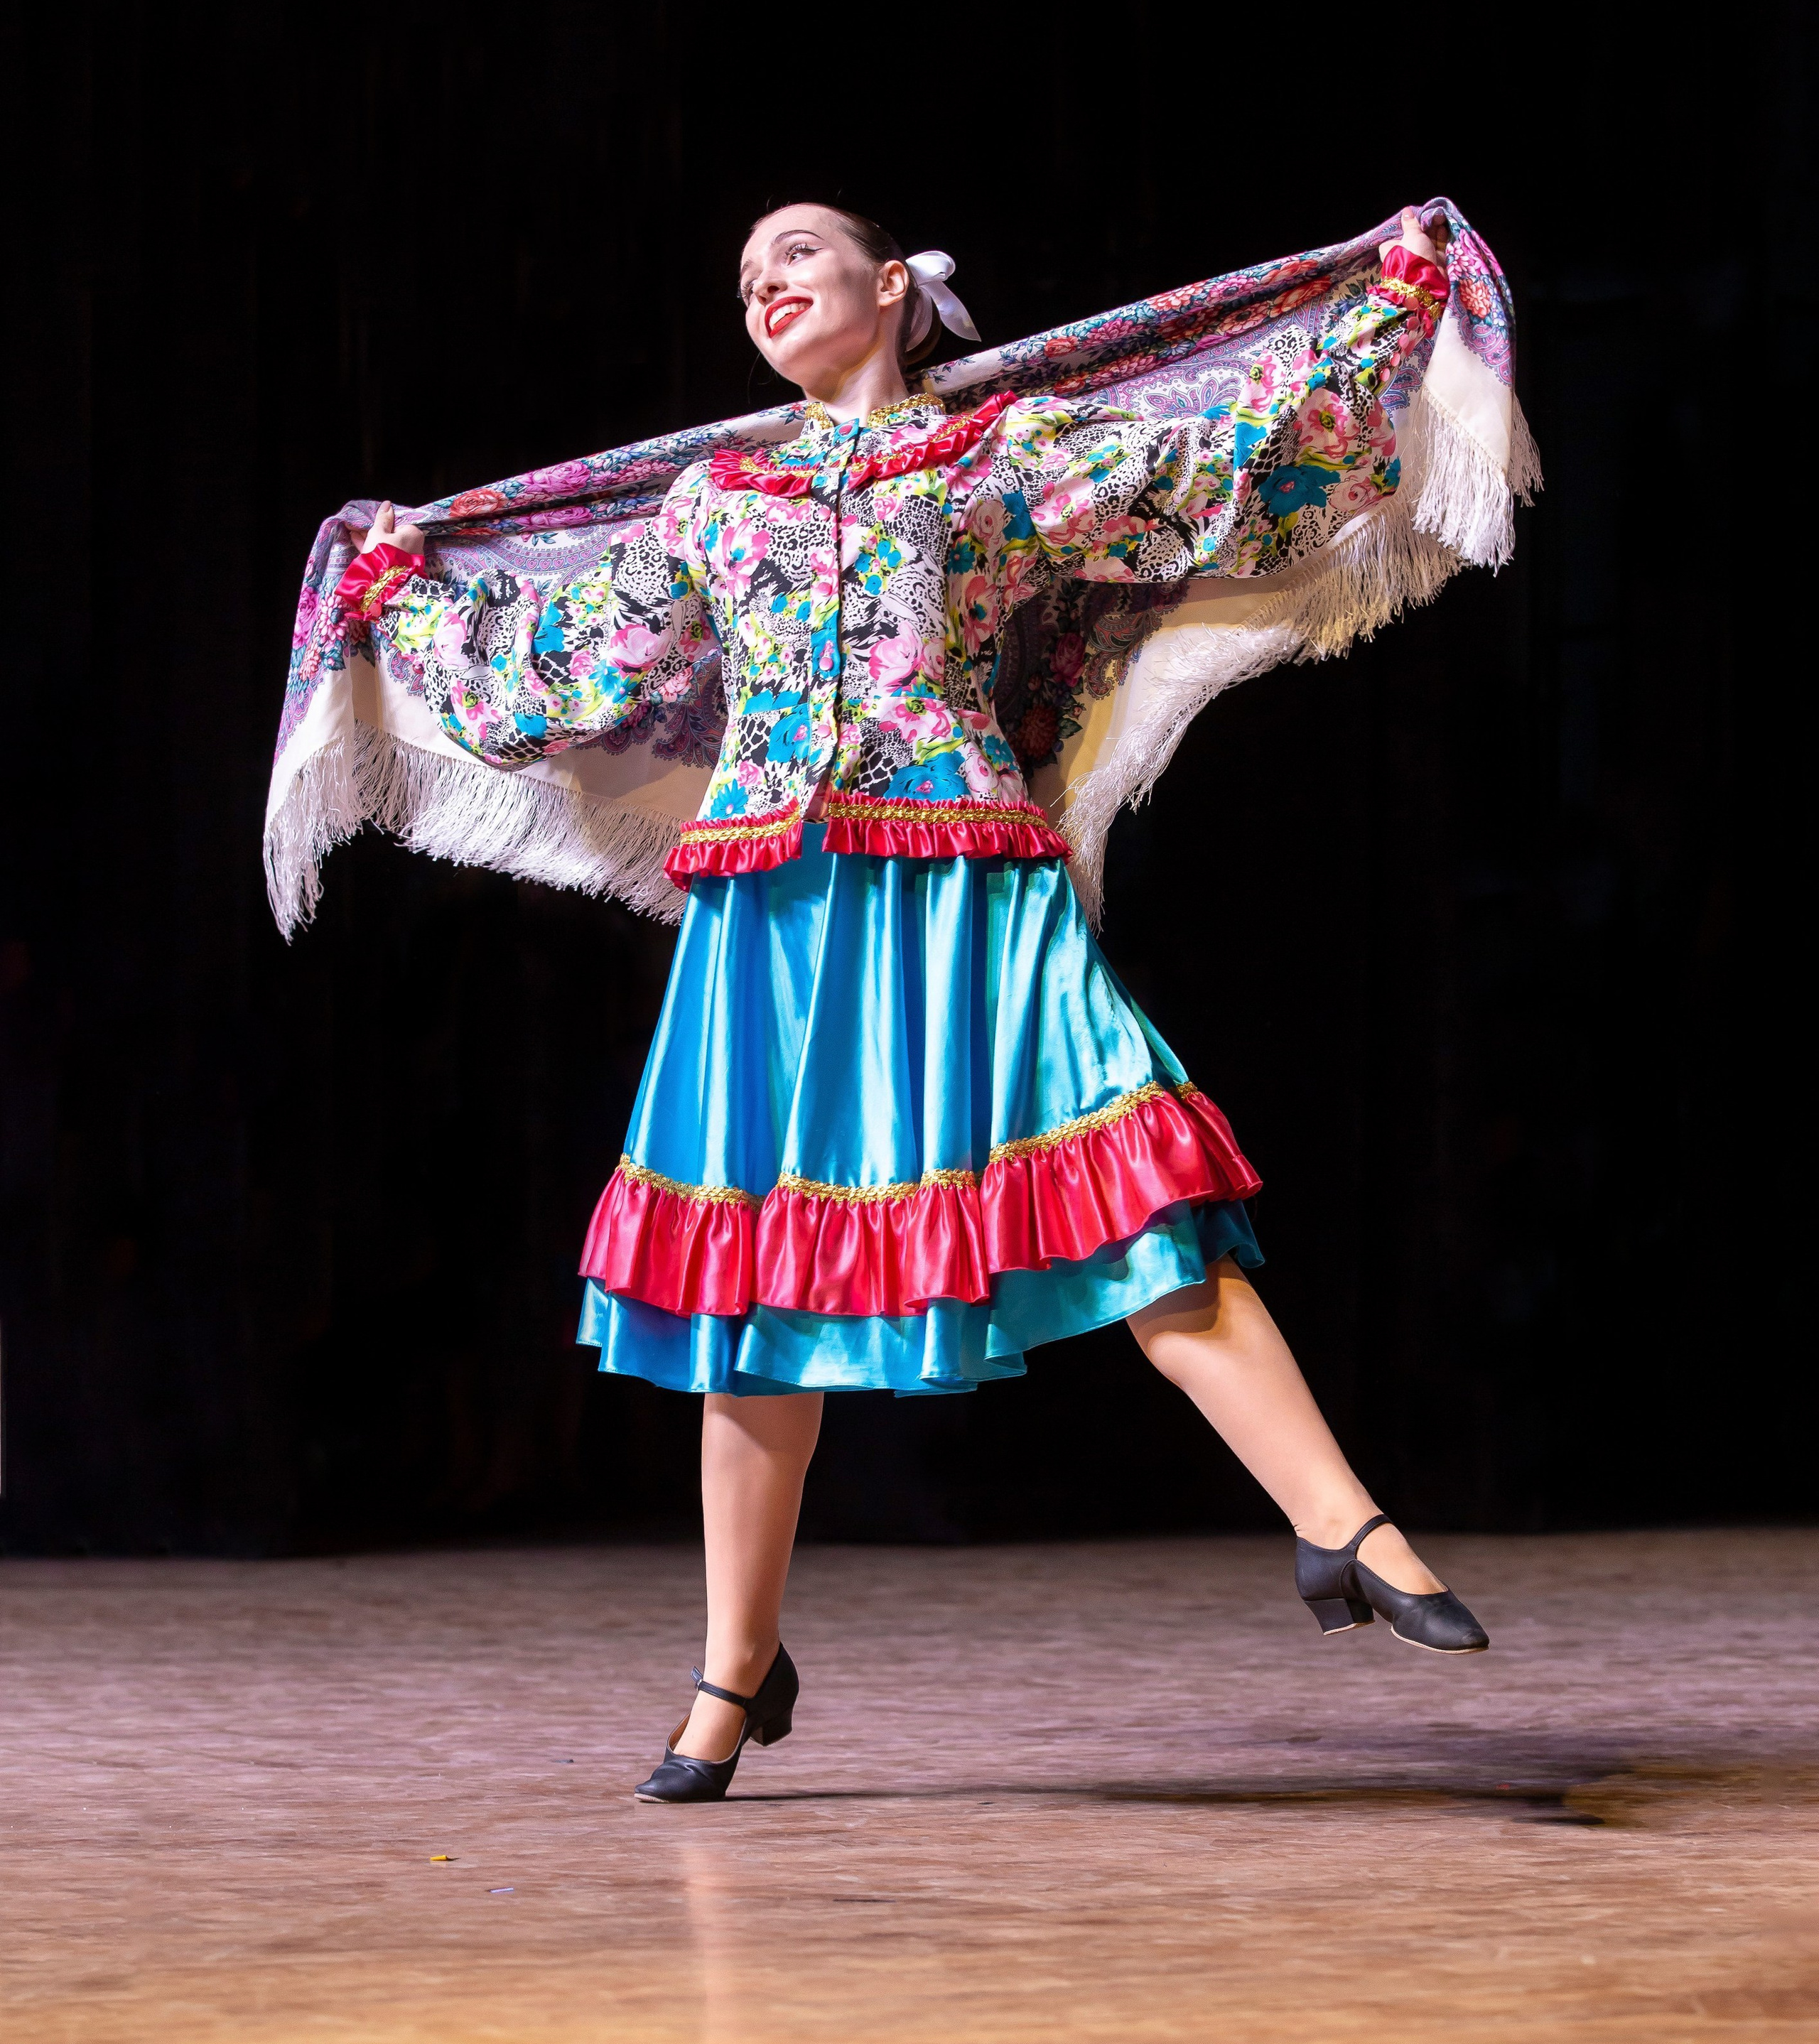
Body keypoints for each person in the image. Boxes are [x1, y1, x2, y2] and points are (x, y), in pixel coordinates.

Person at [340, 200, 1491, 1805]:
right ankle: (731, 1670)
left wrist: (1381, 322)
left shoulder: (993, 458)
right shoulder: (712, 500)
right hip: (776, 912)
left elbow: (1200, 472)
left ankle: (1338, 1519)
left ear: (893, 287)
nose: (762, 281)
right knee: (746, 1288)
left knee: (1136, 1187)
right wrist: (397, 592)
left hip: (965, 880)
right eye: (741, 272)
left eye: (795, 253)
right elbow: (562, 662)